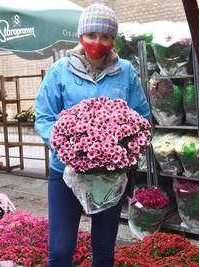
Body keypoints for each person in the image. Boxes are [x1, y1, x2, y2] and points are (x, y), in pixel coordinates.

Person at [34, 3, 150, 267]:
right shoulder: (59, 71)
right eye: (92, 35)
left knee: (104, 247)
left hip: (109, 177)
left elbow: (142, 117)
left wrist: (124, 149)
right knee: (60, 250)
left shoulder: (126, 72)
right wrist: (69, 144)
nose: (98, 42)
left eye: (106, 36)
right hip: (65, 173)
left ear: (113, 39)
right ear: (80, 36)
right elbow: (44, 117)